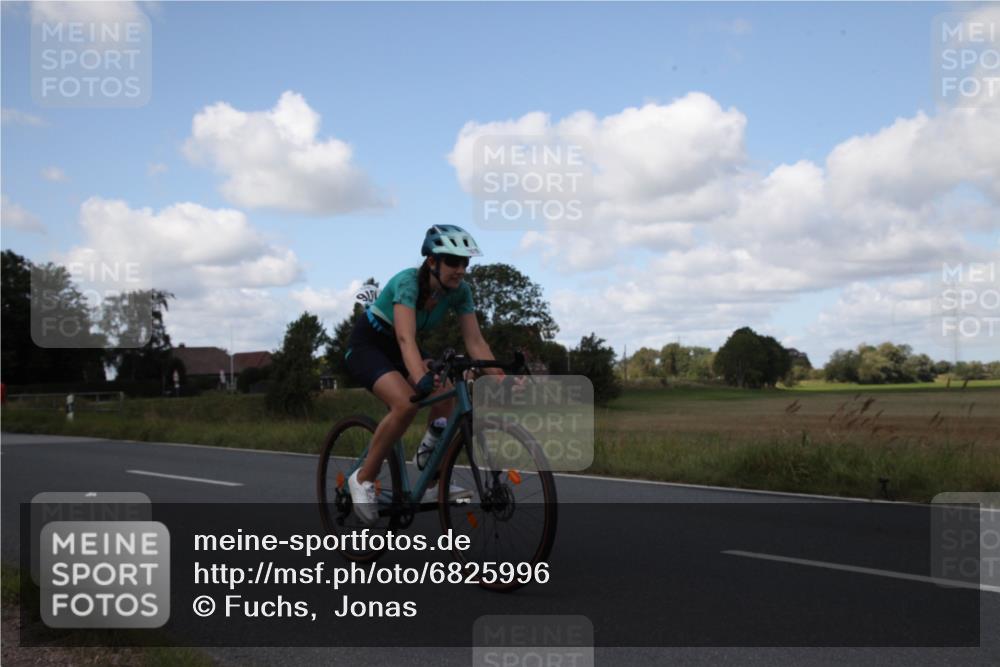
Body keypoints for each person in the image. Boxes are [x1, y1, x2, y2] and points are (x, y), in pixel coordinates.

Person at [344, 225, 504, 525]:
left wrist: (501, 377)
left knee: (446, 390)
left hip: (405, 347)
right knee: (406, 403)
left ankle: (431, 480)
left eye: (465, 263)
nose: (460, 270)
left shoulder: (460, 292)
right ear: (432, 262)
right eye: (453, 262)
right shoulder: (408, 283)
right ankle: (363, 478)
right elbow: (405, 338)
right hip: (370, 346)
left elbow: (476, 341)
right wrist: (419, 377)